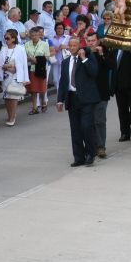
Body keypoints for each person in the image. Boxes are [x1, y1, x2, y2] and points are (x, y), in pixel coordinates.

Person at [56, 37, 100, 167]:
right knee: (75, 129)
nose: (72, 47)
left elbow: (94, 72)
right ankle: (78, 157)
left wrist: (84, 58)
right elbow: (63, 82)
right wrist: (60, 100)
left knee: (86, 126)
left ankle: (90, 153)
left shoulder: (88, 57)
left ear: (79, 46)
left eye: (75, 45)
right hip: (72, 97)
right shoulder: (65, 62)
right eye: (70, 45)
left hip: (87, 99)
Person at [87, 32, 115, 159]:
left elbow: (111, 66)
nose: (91, 43)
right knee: (89, 121)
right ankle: (91, 146)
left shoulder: (104, 52)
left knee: (99, 121)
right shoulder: (85, 53)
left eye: (93, 40)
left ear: (98, 41)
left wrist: (102, 54)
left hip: (101, 92)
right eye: (89, 41)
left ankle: (101, 147)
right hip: (87, 94)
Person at [0, 29, 29, 126]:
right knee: (6, 97)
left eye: (8, 38)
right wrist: (5, 67)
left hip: (16, 76)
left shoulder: (20, 49)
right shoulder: (3, 48)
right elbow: (0, 63)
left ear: (13, 39)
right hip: (5, 75)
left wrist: (25, 79)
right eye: (5, 38)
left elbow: (24, 64)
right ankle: (9, 115)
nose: (6, 40)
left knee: (13, 96)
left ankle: (12, 117)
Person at [25, 27, 50, 114]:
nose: (34, 36)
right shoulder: (27, 44)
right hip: (31, 68)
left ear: (39, 35)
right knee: (33, 90)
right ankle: (34, 108)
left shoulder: (44, 44)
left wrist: (37, 60)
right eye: (32, 35)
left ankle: (43, 102)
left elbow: (47, 57)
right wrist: (30, 59)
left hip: (41, 68)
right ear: (30, 36)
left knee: (42, 88)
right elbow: (24, 56)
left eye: (36, 35)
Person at [49, 22, 70, 90]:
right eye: (58, 28)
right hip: (55, 61)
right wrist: (55, 49)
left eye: (61, 28)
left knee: (62, 79)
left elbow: (73, 47)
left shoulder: (68, 38)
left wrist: (66, 46)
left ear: (64, 29)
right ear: (55, 29)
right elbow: (48, 49)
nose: (59, 30)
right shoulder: (51, 39)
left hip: (65, 61)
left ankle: (60, 97)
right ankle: (60, 96)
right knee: (55, 80)